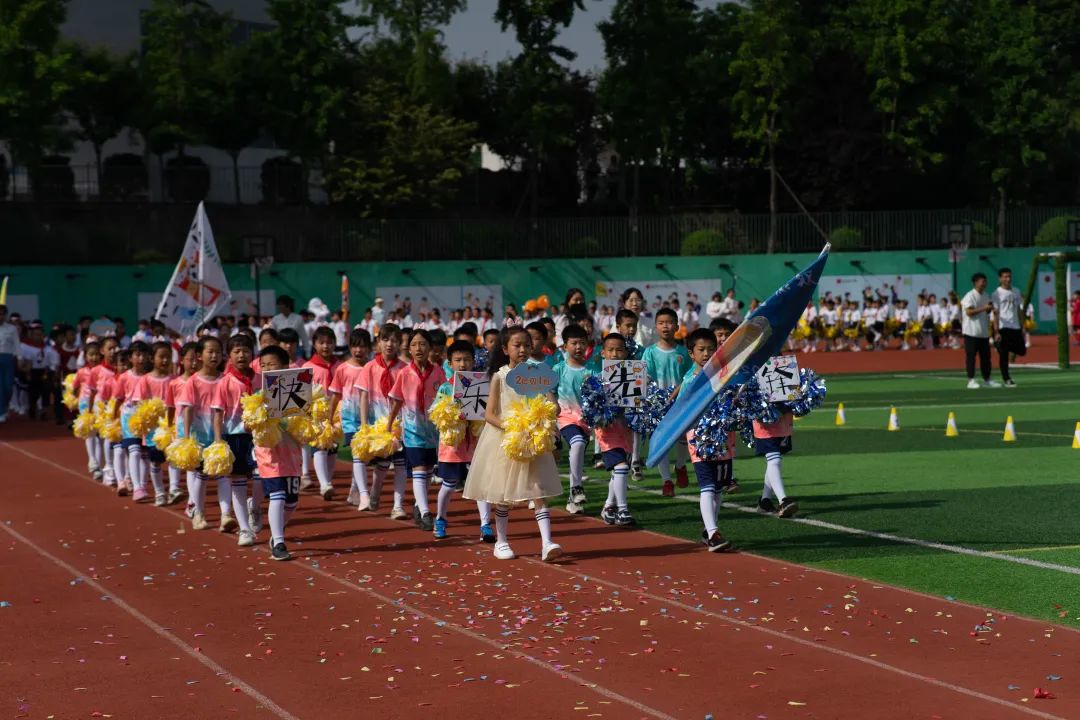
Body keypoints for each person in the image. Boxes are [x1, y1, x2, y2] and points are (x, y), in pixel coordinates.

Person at [463, 326, 564, 562]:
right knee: (503, 494)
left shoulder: (538, 374)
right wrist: (512, 428)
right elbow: (489, 414)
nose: (522, 350)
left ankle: (547, 542)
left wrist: (548, 412)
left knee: (538, 490)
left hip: (534, 440)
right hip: (506, 440)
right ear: (505, 349)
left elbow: (552, 405)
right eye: (516, 345)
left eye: (526, 345)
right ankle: (502, 541)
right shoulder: (499, 376)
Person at [386, 329, 446, 532]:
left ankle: (419, 506)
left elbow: (445, 398)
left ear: (430, 347)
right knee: (419, 468)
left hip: (432, 431)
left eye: (423, 344)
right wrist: (390, 424)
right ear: (409, 348)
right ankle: (427, 511)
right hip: (411, 430)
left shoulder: (438, 371)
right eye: (414, 344)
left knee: (428, 469)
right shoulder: (404, 373)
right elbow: (396, 400)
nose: (419, 348)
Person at [681, 328, 734, 551]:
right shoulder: (689, 380)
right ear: (691, 354)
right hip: (699, 439)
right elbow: (682, 409)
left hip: (722, 439)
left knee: (719, 487)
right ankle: (713, 534)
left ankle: (710, 528)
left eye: (711, 349)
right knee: (708, 485)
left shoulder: (724, 374)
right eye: (701, 350)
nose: (706, 354)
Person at [430, 340, 484, 540]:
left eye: (467, 360)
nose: (463, 364)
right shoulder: (445, 387)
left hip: (474, 444)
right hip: (452, 447)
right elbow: (437, 413)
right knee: (449, 483)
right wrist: (455, 415)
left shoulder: (480, 384)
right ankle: (440, 519)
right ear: (450, 363)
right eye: (458, 360)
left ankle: (486, 525)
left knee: (479, 484)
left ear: (474, 361)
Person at [253, 345, 302, 561]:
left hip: (291, 453)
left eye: (272, 365)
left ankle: (277, 531)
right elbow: (248, 424)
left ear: (285, 366)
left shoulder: (299, 391)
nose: (267, 369)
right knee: (278, 495)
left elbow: (306, 423)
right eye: (263, 365)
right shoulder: (258, 395)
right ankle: (279, 541)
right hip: (268, 453)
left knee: (291, 501)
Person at [210, 334, 258, 547]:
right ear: (228, 356)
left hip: (259, 436)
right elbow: (218, 414)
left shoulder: (259, 378)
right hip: (235, 436)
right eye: (237, 351)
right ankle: (245, 530)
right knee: (238, 480)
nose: (241, 355)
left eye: (246, 351)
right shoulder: (225, 382)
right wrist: (219, 441)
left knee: (262, 477)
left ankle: (254, 506)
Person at [358, 324, 407, 519]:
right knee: (382, 465)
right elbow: (363, 396)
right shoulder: (370, 367)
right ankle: (375, 491)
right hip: (378, 424)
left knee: (401, 464)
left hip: (401, 424)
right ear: (378, 343)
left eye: (394, 340)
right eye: (385, 340)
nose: (389, 344)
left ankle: (398, 505)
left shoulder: (404, 368)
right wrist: (363, 425)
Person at [176, 336, 225, 531]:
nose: (214, 356)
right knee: (201, 474)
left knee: (222, 474)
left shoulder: (224, 379)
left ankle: (226, 514)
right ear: (199, 356)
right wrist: (187, 438)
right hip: (200, 434)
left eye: (218, 352)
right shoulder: (193, 382)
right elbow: (187, 409)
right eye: (210, 352)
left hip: (220, 433)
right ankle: (198, 511)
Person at [642, 307, 691, 496]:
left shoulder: (683, 352)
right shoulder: (650, 353)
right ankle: (666, 481)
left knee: (682, 437)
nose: (665, 326)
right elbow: (644, 377)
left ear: (677, 326)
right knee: (661, 442)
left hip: (680, 403)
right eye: (661, 323)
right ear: (656, 327)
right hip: (657, 404)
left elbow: (689, 376)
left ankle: (680, 466)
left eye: (669, 322)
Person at [594, 332, 635, 527]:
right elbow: (591, 409)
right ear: (603, 353)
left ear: (626, 352)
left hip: (625, 432)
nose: (615, 354)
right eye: (610, 350)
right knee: (621, 467)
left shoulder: (633, 375)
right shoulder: (597, 379)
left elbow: (637, 404)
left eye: (619, 350)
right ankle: (623, 509)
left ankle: (609, 506)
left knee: (619, 471)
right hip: (607, 434)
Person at [329, 329, 372, 511]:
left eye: (362, 346)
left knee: (365, 457)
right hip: (349, 420)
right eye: (355, 346)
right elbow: (336, 394)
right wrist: (330, 417)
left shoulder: (372, 368)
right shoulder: (343, 369)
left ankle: (355, 489)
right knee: (358, 455)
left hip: (370, 418)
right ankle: (364, 494)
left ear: (369, 348)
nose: (358, 350)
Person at [553, 324, 592, 515]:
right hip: (565, 419)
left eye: (582, 343)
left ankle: (572, 499)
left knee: (579, 450)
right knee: (576, 445)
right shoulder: (558, 369)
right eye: (574, 343)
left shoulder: (592, 371)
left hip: (585, 422)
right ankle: (576, 487)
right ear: (565, 346)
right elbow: (548, 392)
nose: (578, 347)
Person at [302, 326, 342, 499]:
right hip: (317, 413)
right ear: (314, 344)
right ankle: (325, 484)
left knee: (332, 448)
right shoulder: (308, 367)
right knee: (320, 446)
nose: (325, 346)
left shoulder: (339, 366)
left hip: (336, 412)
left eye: (329, 342)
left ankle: (327, 479)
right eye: (321, 342)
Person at [135, 342, 175, 505]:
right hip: (153, 429)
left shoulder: (174, 379)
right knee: (155, 460)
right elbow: (140, 403)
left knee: (174, 457)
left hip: (170, 426)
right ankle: (159, 492)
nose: (165, 360)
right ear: (152, 358)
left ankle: (173, 489)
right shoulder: (145, 380)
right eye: (161, 357)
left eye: (168, 357)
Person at [113, 341, 152, 502]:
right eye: (137, 355)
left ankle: (142, 484)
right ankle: (137, 487)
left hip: (147, 417)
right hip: (129, 416)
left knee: (145, 454)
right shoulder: (124, 377)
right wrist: (114, 418)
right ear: (130, 358)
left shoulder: (150, 377)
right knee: (134, 450)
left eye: (143, 355)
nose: (141, 358)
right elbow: (118, 399)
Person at [755, 392, 798, 519]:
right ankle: (783, 500)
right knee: (774, 459)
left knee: (775, 458)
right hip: (765, 417)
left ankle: (765, 501)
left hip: (784, 417)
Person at [168, 342, 199, 515]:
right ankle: (192, 502)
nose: (194, 363)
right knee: (190, 464)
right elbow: (171, 406)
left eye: (197, 359)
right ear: (182, 360)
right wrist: (170, 426)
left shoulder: (204, 380)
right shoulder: (175, 383)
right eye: (190, 359)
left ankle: (194, 500)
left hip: (203, 424)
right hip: (183, 425)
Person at [90, 337, 120, 487]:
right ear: (102, 351)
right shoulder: (96, 370)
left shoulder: (121, 369)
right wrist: (89, 411)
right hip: (102, 406)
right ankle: (108, 469)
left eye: (116, 348)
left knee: (116, 439)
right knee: (105, 437)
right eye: (110, 348)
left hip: (118, 406)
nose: (114, 351)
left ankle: (119, 470)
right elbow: (92, 391)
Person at [961, 273, 999, 389]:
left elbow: (986, 312)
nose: (984, 283)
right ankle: (971, 380)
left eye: (985, 281)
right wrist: (984, 308)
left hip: (983, 332)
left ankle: (987, 379)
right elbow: (969, 312)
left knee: (986, 358)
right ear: (975, 283)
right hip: (971, 332)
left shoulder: (986, 295)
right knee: (971, 357)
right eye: (982, 281)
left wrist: (990, 309)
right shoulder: (970, 296)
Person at [990, 267, 1025, 387]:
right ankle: (1007, 379)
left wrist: (1022, 326)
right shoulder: (996, 293)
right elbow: (995, 313)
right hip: (1003, 327)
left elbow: (1019, 309)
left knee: (1022, 351)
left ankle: (999, 346)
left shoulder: (1016, 291)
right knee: (1004, 356)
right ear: (1000, 278)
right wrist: (996, 331)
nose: (1008, 279)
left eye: (1009, 276)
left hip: (1015, 326)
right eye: (1005, 277)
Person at [74, 341, 103, 478]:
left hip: (100, 403)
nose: (94, 358)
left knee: (100, 435)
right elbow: (74, 387)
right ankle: (93, 461)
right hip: (85, 403)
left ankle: (98, 465)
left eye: (97, 354)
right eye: (91, 355)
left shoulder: (103, 371)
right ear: (85, 356)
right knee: (89, 433)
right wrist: (77, 398)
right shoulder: (82, 372)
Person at [0, 305, 18, 422]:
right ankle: (1, 411)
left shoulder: (12, 329)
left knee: (8, 386)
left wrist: (19, 358)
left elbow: (17, 344)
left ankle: (5, 406)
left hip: (8, 358)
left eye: (2, 314)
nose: (0, 316)